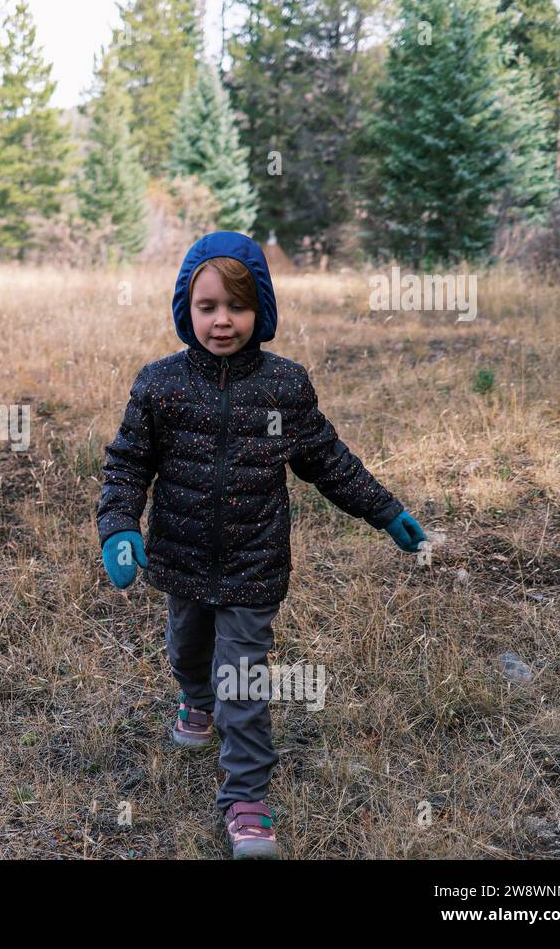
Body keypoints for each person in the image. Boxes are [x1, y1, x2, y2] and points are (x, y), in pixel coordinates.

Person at [96, 230, 428, 859]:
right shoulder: (160, 385)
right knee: (189, 649)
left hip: (254, 563)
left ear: (262, 311)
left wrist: (385, 511)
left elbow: (327, 462)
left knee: (241, 681)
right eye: (208, 307)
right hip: (182, 555)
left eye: (238, 307)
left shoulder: (284, 386)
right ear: (185, 311)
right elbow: (127, 465)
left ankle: (246, 799)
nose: (223, 322)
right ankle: (194, 701)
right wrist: (118, 525)